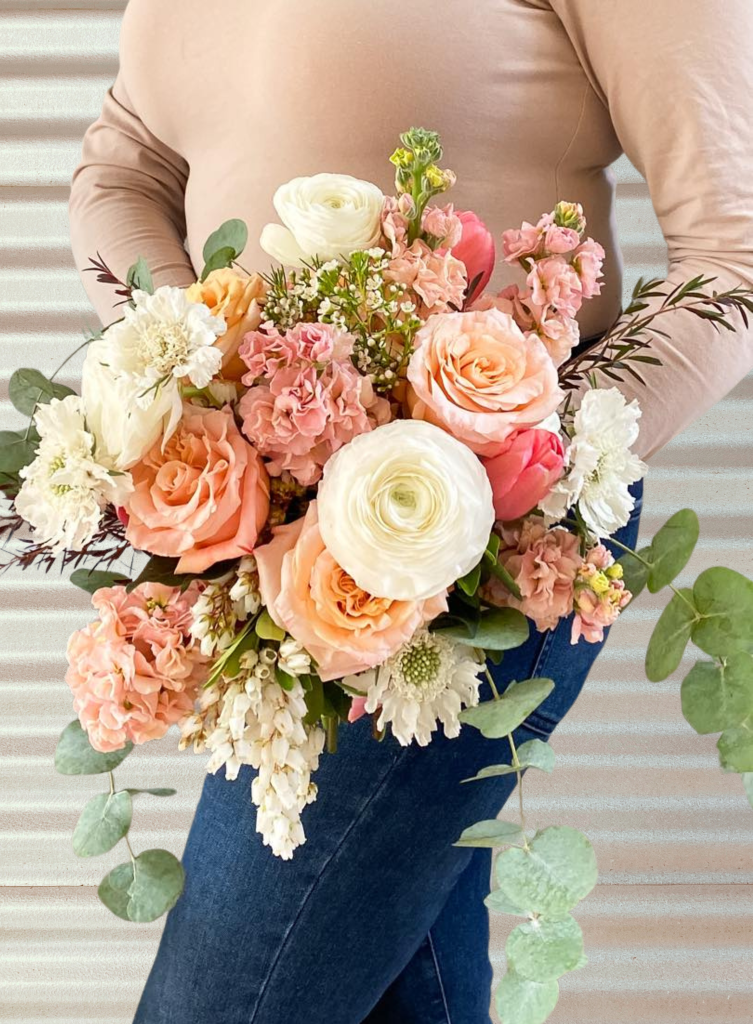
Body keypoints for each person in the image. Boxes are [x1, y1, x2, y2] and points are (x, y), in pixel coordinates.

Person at [67, 2, 753, 1021]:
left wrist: (520, 474)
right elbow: (123, 165)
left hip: (473, 552)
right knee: (401, 984)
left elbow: (731, 253)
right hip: (258, 524)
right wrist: (192, 365)